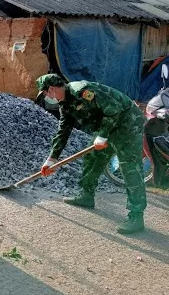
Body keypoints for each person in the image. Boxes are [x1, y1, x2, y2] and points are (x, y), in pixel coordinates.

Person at [36, 74, 147, 234]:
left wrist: (102, 135)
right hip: (108, 126)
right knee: (93, 157)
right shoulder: (65, 104)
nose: (47, 97)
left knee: (130, 168)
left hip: (127, 123)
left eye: (45, 93)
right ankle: (86, 195)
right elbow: (63, 130)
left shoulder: (82, 91)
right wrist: (51, 159)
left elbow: (114, 110)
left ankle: (136, 216)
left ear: (52, 89)